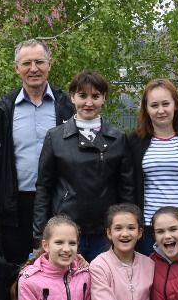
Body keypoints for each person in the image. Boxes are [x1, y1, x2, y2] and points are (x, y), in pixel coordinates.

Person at [0, 39, 73, 266]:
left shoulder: (66, 106)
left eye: (39, 62)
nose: (34, 69)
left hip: (57, 203)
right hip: (15, 205)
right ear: (16, 68)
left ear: (50, 64)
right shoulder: (2, 110)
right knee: (18, 270)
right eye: (27, 63)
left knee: (58, 268)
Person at [32, 69, 134, 260]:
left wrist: (125, 229)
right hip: (65, 232)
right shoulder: (55, 137)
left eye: (95, 96)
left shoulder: (118, 139)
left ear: (104, 99)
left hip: (104, 233)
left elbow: (126, 191)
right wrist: (39, 235)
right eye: (82, 95)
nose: (89, 103)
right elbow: (44, 188)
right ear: (72, 97)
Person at [125, 78, 178, 251]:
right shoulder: (134, 142)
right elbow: (128, 187)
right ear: (146, 109)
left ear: (175, 105)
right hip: (148, 230)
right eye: (154, 105)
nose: (160, 110)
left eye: (165, 104)